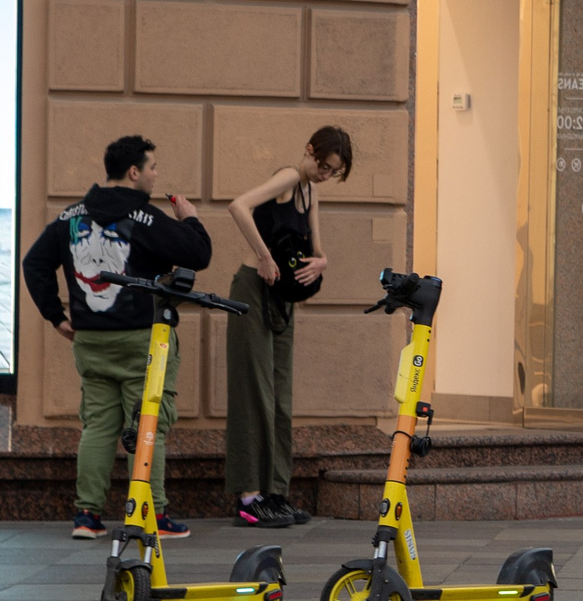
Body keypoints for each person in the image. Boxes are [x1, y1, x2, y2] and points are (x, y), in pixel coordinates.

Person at [23, 134, 215, 540]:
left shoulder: (69, 217)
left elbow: (34, 263)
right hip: (141, 340)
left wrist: (56, 317)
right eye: (152, 168)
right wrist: (190, 217)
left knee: (97, 426)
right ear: (134, 172)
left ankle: (87, 517)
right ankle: (151, 515)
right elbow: (199, 254)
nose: (155, 175)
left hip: (90, 341)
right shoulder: (145, 217)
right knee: (148, 425)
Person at [223, 125, 353, 529]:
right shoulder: (288, 177)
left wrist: (322, 262)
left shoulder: (310, 192)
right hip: (252, 291)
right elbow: (238, 206)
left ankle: (275, 491)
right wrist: (263, 255)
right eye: (324, 166)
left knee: (281, 398)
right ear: (310, 151)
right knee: (254, 394)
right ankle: (249, 494)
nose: (325, 175)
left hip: (282, 300)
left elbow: (317, 249)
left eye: (333, 172)